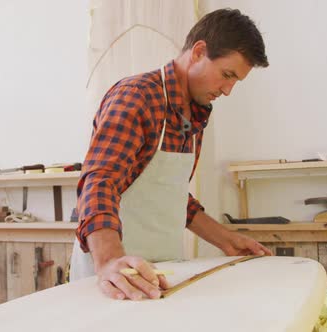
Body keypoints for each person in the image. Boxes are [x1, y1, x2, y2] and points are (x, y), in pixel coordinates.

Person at [70, 8, 273, 300]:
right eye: (226, 75)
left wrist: (226, 240)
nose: (227, 90)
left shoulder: (195, 113)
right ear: (199, 51)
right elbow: (99, 181)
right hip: (112, 278)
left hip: (159, 275)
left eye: (235, 82)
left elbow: (170, 197)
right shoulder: (136, 96)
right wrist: (109, 260)